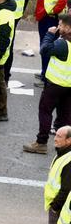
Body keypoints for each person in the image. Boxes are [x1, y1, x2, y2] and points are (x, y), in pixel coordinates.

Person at [27, 15, 71, 155]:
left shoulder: (63, 43)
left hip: (55, 84)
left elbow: (44, 50)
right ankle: (65, 144)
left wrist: (49, 34)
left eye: (61, 25)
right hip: (68, 85)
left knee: (45, 112)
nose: (58, 26)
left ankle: (41, 143)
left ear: (68, 28)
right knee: (65, 116)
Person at [36, 0, 69, 82]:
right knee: (45, 45)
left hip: (49, 18)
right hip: (46, 16)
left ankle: (46, 77)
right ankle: (44, 72)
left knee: (46, 46)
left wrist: (53, 11)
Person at [45, 127, 71, 224]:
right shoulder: (62, 153)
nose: (55, 138)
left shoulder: (69, 161)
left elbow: (66, 188)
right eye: (56, 135)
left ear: (69, 140)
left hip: (61, 209)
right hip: (56, 207)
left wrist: (55, 207)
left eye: (60, 136)